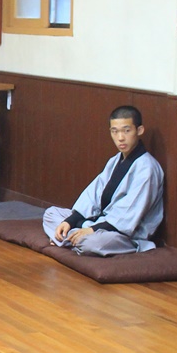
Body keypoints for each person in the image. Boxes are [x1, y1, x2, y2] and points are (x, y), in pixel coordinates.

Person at [43, 105, 165, 255]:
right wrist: (69, 221)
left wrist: (91, 230)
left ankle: (67, 239)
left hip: (124, 234)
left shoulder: (147, 168)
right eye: (115, 131)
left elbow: (128, 216)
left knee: (92, 243)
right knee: (51, 214)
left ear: (139, 130)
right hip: (98, 223)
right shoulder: (114, 161)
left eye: (127, 131)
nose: (120, 137)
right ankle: (72, 237)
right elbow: (92, 196)